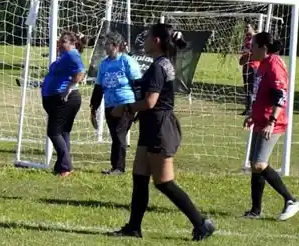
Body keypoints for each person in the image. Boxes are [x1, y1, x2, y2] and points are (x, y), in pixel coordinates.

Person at [110, 23, 215, 241]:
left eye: (147, 37)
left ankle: (201, 224)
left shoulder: (160, 66)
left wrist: (126, 108)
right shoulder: (160, 62)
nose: (144, 40)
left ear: (156, 41)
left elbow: (150, 102)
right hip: (151, 126)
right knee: (139, 177)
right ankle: (133, 228)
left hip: (160, 128)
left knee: (164, 182)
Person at [243, 32, 299, 220]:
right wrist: (252, 114)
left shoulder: (275, 65)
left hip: (272, 123)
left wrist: (271, 121)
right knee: (254, 165)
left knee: (259, 163)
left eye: (254, 46)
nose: (251, 49)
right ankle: (255, 210)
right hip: (261, 120)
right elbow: (261, 94)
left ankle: (291, 200)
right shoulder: (262, 64)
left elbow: (280, 95)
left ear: (263, 48)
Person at [90, 32, 141, 175]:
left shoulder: (127, 61)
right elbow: (99, 87)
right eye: (105, 44)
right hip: (109, 105)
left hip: (125, 103)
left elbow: (138, 85)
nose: (105, 47)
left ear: (116, 46)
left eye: (108, 44)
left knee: (119, 134)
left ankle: (119, 168)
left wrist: (139, 107)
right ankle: (115, 166)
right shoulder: (104, 64)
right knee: (115, 135)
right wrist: (93, 108)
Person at [40, 31, 87, 176]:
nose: (60, 44)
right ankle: (61, 166)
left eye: (63, 42)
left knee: (53, 132)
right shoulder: (64, 56)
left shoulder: (72, 54)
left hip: (64, 99)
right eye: (59, 41)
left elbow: (80, 72)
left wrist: (69, 88)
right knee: (63, 132)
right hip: (55, 98)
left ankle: (66, 165)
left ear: (72, 43)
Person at [240, 24, 259, 116]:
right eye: (245, 27)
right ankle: (247, 108)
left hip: (253, 66)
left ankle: (252, 109)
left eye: (248, 27)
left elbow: (257, 52)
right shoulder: (246, 39)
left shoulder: (256, 38)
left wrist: (249, 53)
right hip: (245, 66)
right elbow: (244, 51)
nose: (246, 28)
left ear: (253, 28)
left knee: (252, 88)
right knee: (247, 88)